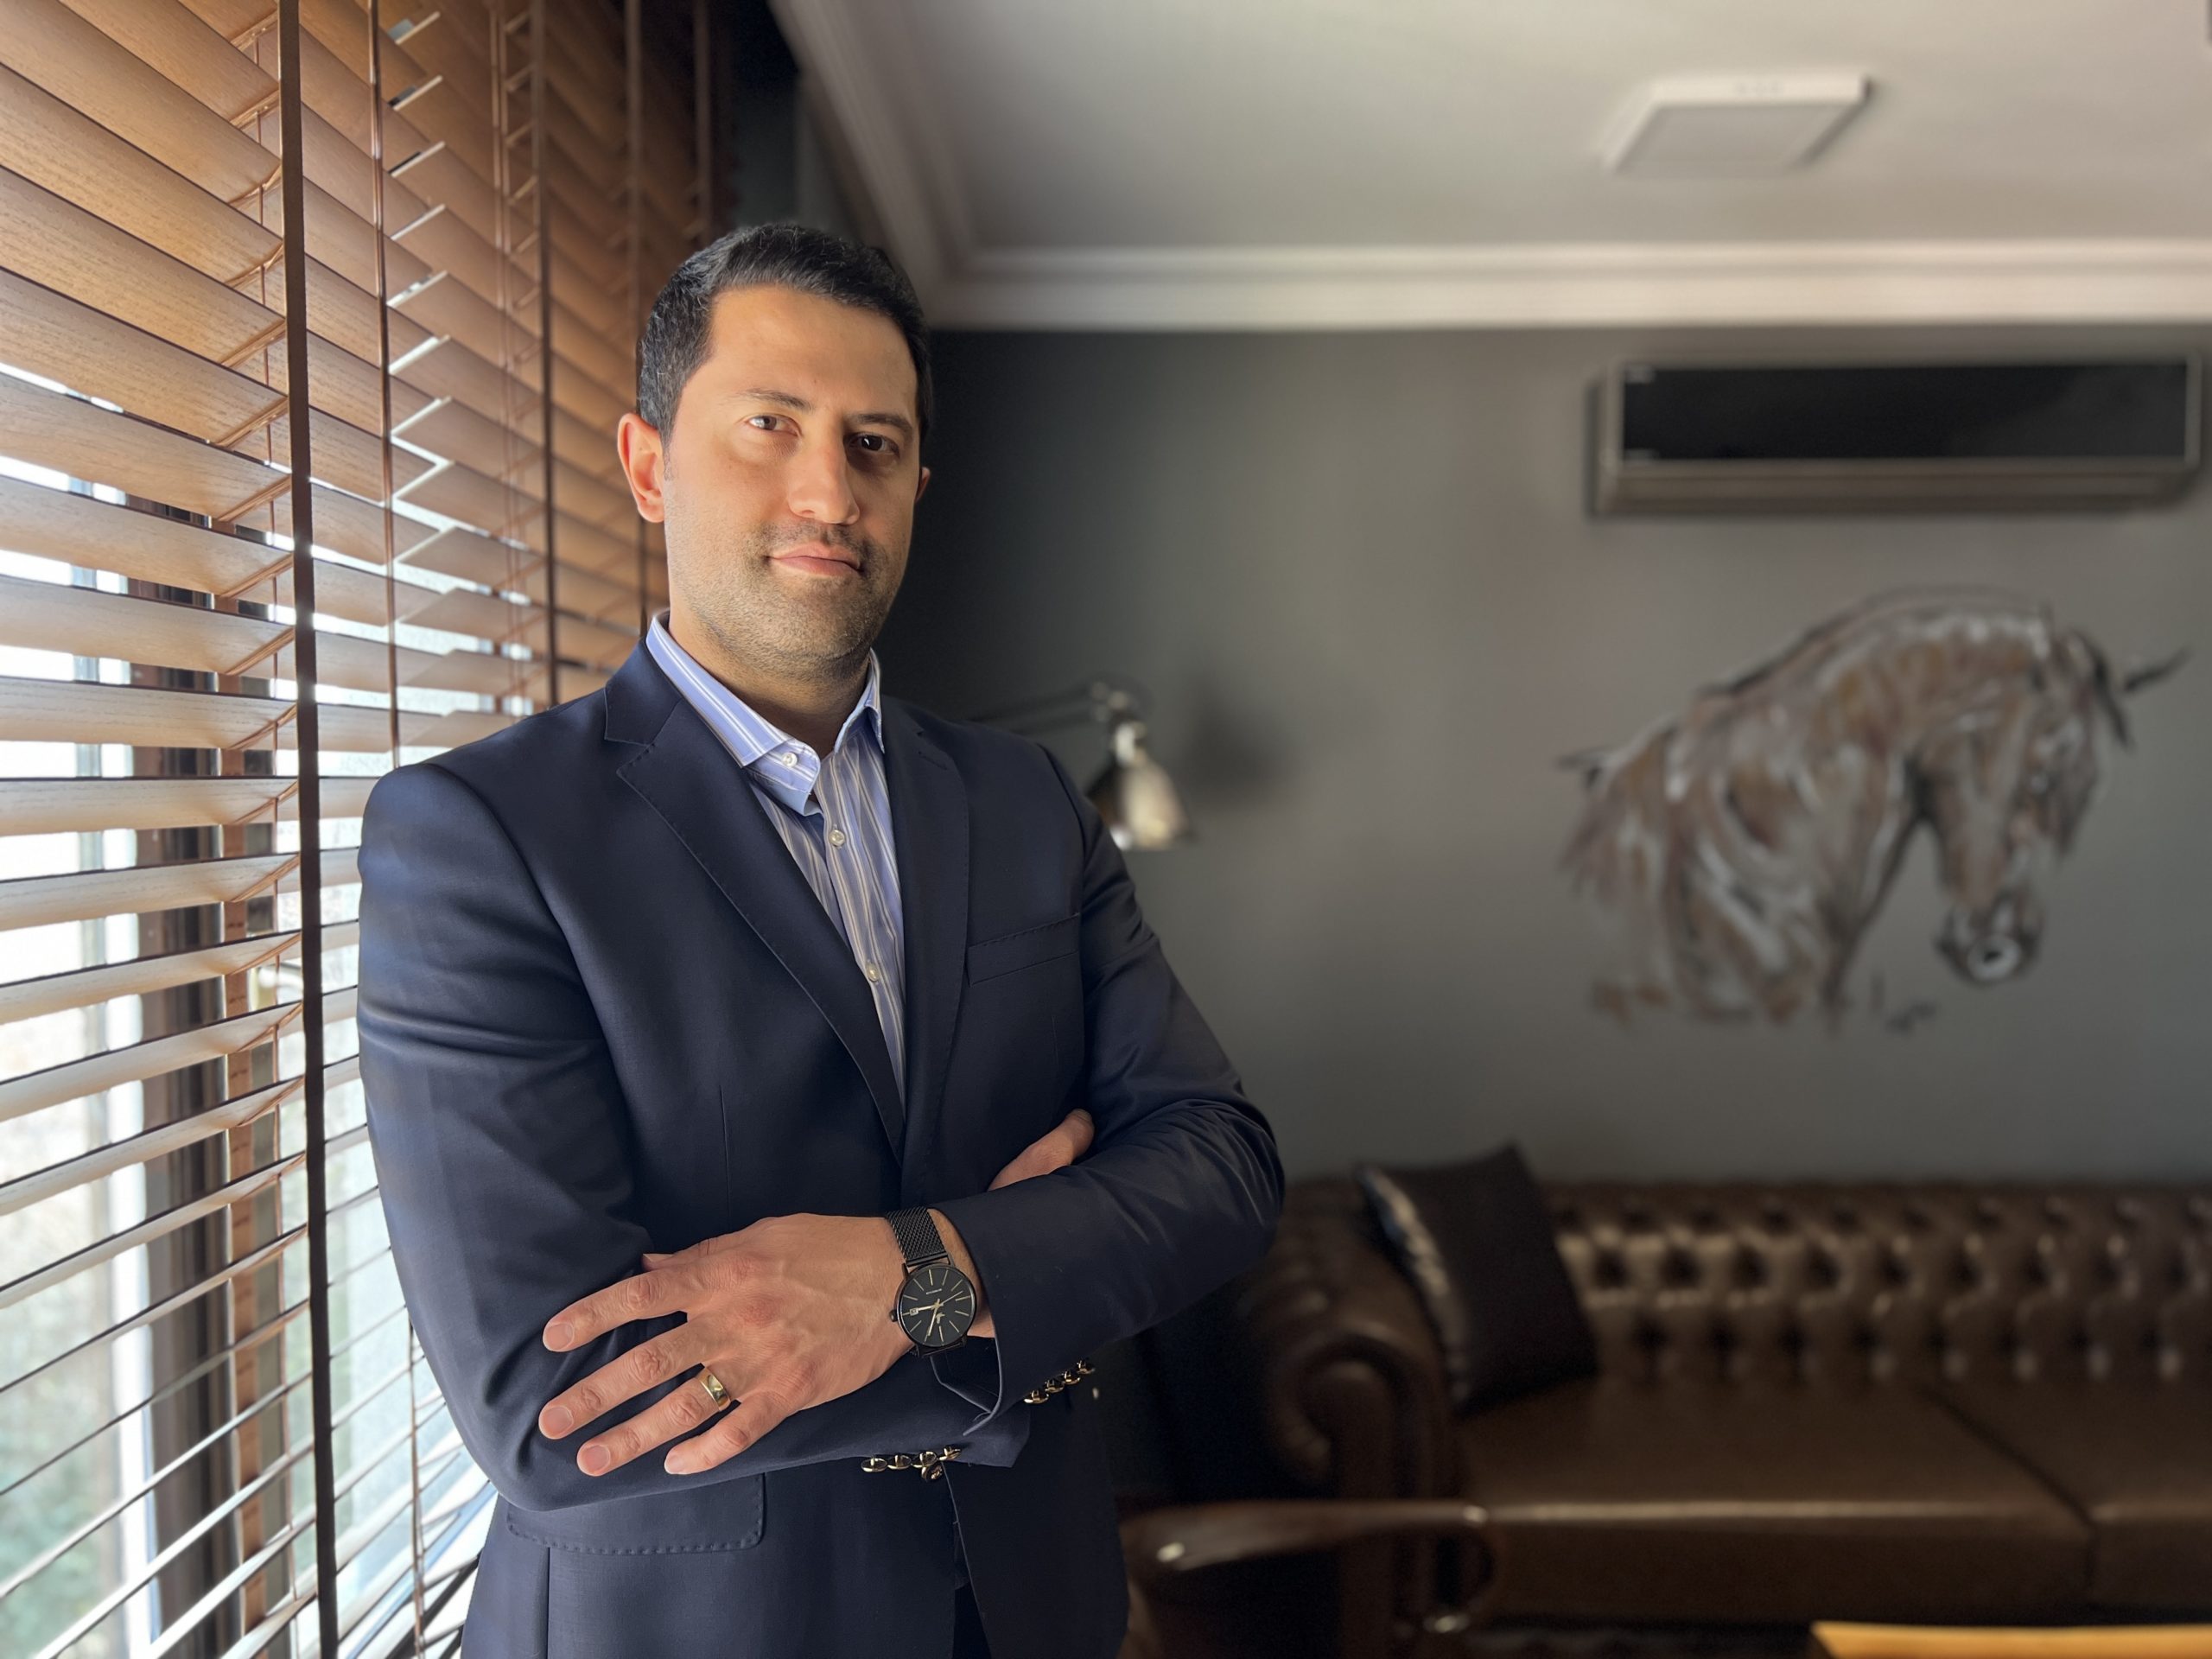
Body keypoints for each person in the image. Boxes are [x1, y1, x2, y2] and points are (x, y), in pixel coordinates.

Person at [356, 221, 1284, 1659]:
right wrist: (1019, 1291)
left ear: (916, 487)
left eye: (873, 444)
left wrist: (918, 1274)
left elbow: (1221, 1167)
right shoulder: (478, 835)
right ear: (649, 465)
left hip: (1033, 1614)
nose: (828, 491)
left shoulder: (1025, 800)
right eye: (770, 424)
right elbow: (555, 1409)